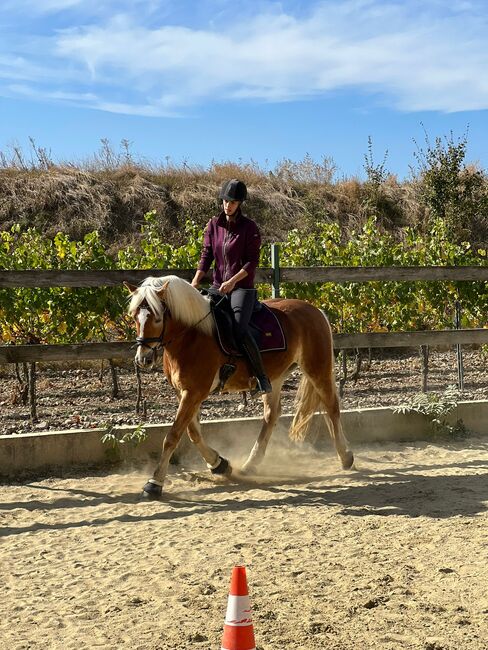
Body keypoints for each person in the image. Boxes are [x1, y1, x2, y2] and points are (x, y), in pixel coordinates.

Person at [191, 179, 272, 394]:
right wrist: (196, 280)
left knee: (238, 328)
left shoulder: (249, 228)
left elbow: (252, 262)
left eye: (233, 202)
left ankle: (261, 377)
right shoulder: (213, 225)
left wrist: (232, 282)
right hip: (218, 285)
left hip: (241, 288)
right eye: (226, 201)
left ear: (240, 204)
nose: (228, 205)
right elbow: (206, 254)